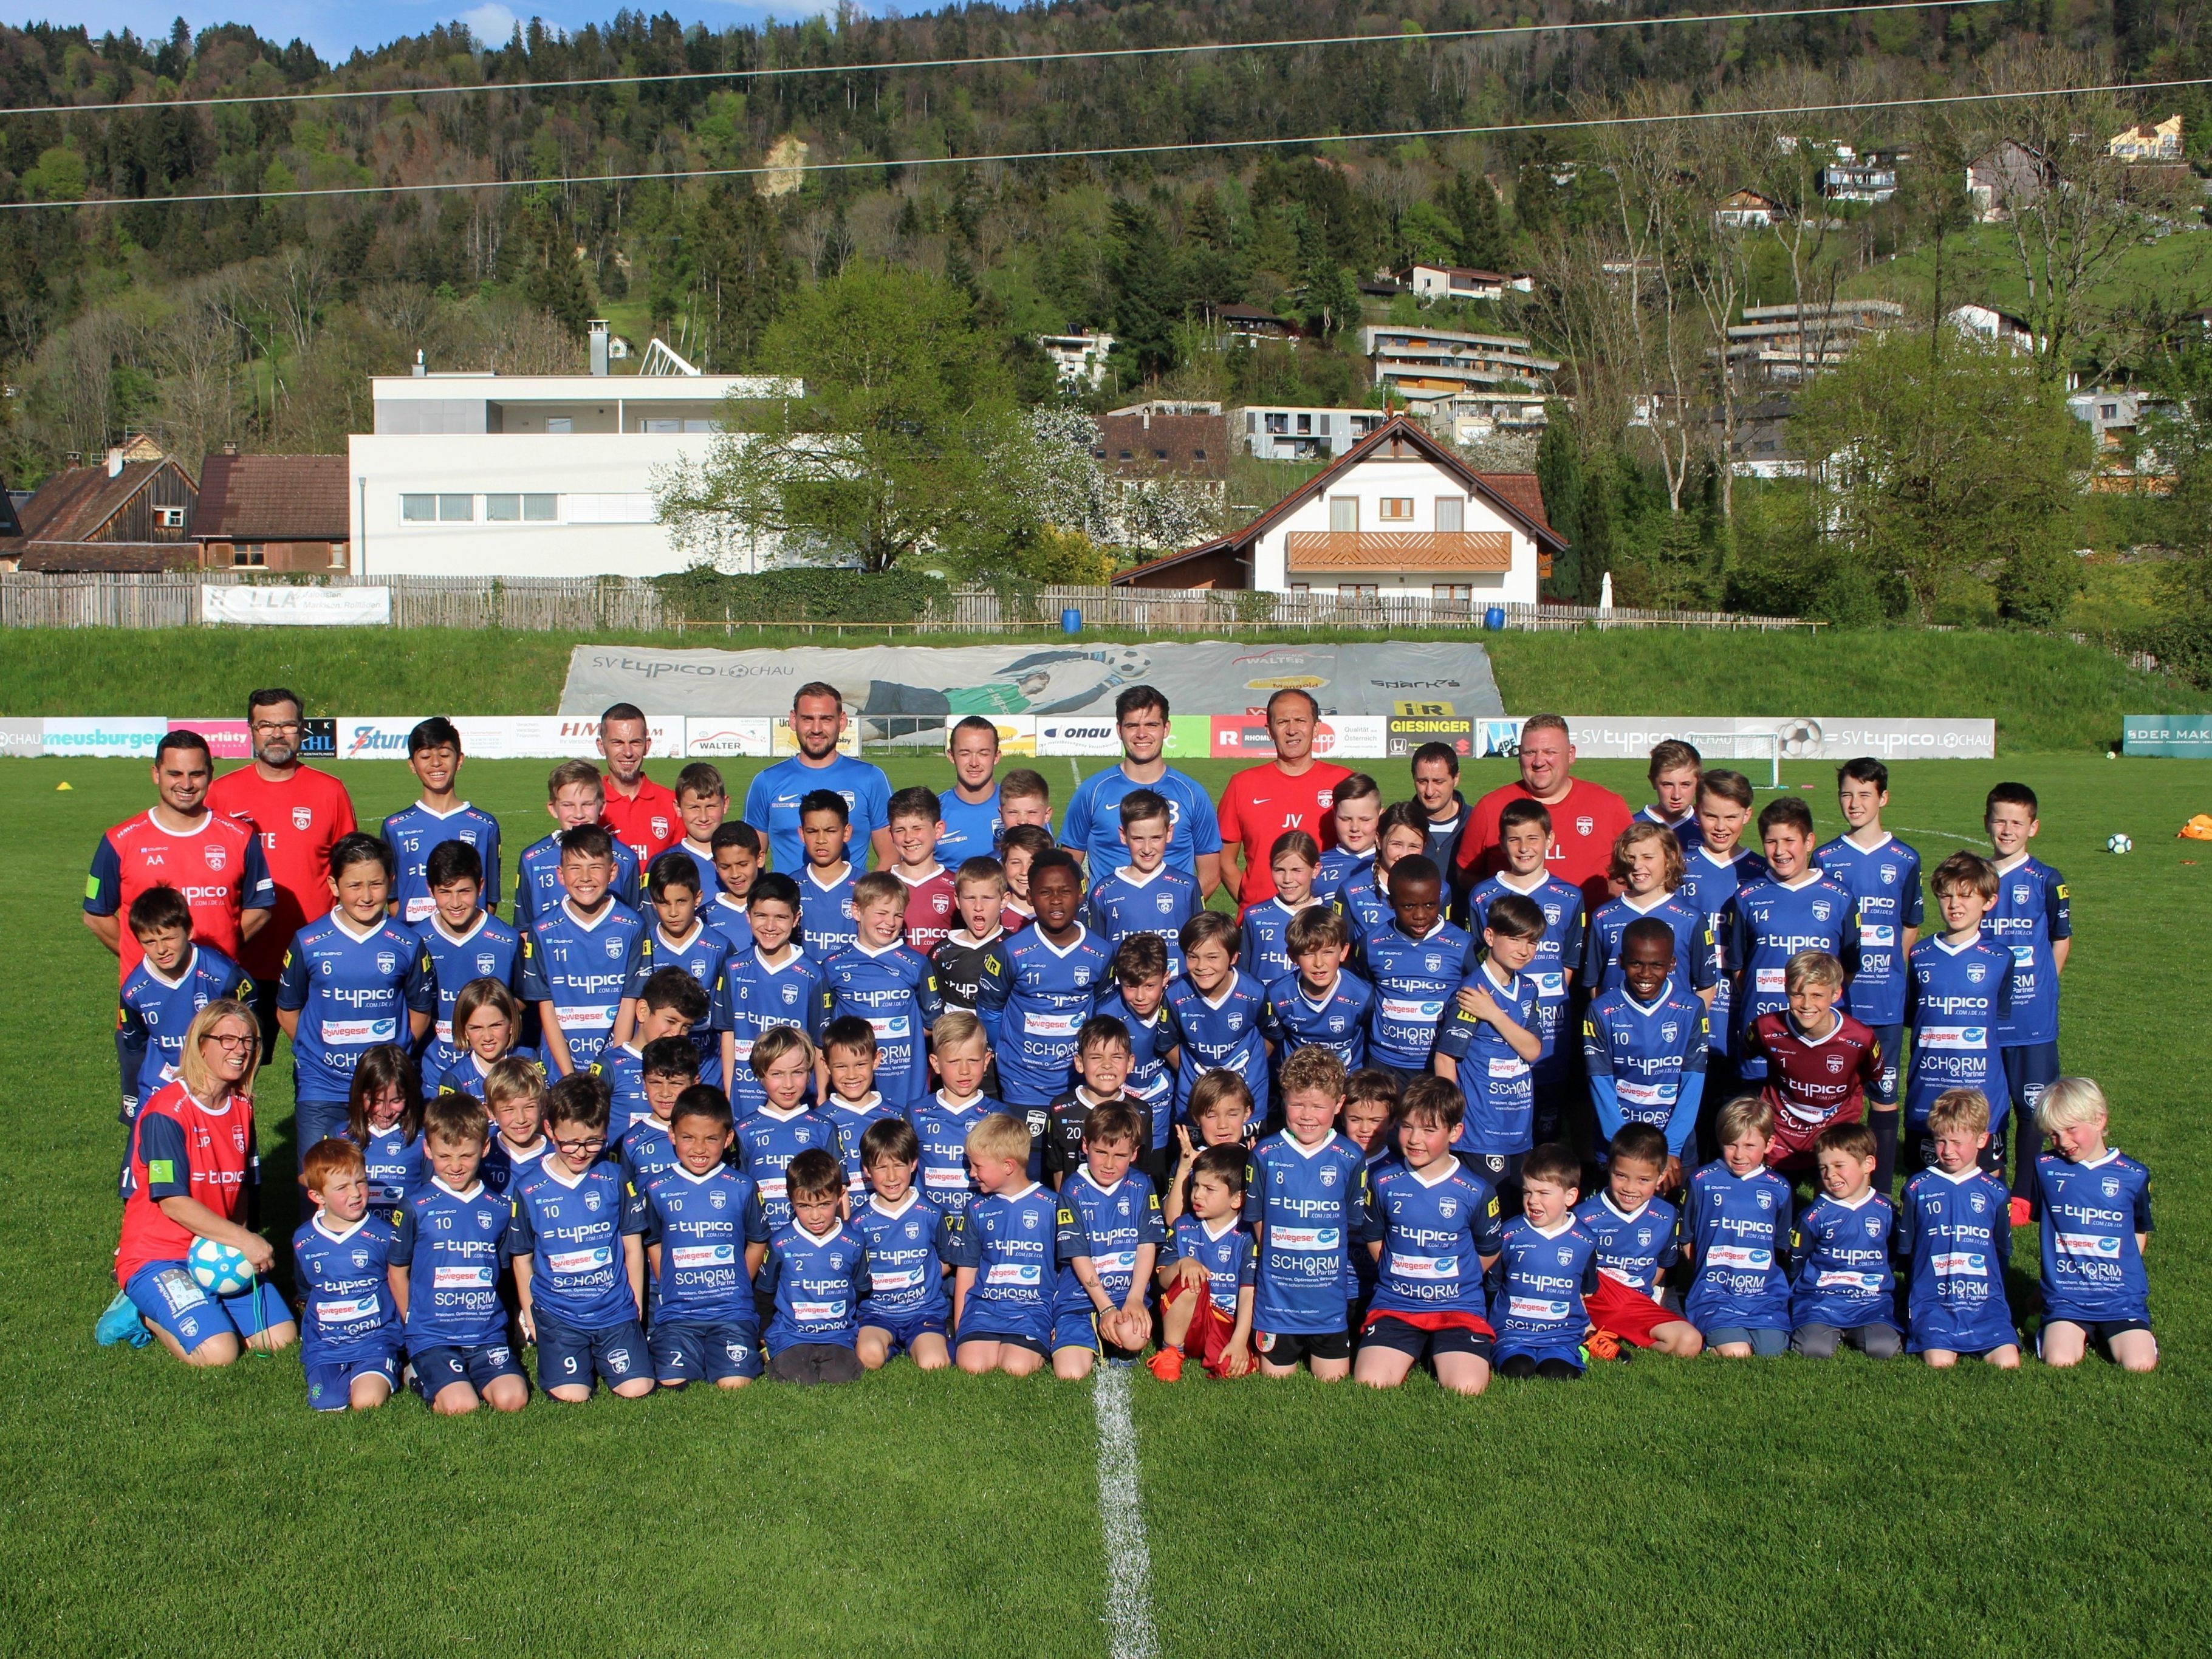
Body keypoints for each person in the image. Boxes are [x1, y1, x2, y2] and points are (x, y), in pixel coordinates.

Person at [103, 999, 298, 1364]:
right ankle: (141, 1313)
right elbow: (172, 1201)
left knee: (281, 1339)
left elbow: (238, 1191)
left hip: (216, 1251)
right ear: (201, 1044)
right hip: (159, 1256)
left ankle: (205, 1307)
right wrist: (245, 1240)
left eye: (248, 1041)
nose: (240, 1050)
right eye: (227, 1040)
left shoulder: (242, 1105)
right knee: (220, 1353)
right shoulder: (166, 1112)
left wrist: (238, 1250)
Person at [87, 731, 273, 1112]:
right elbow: (96, 915)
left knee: (224, 1118)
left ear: (210, 774)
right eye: (175, 774)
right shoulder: (120, 839)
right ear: (155, 774)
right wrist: (150, 957)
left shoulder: (239, 837)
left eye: (196, 774)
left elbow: (260, 907)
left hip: (220, 1013)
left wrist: (220, 953)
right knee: (150, 1122)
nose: (186, 785)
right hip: (149, 1016)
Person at [206, 687, 357, 1053]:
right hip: (243, 960)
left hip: (317, 961)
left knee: (323, 1064)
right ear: (251, 730)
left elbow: (352, 874)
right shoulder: (221, 794)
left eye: (287, 724)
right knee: (232, 1068)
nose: (277, 733)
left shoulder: (329, 791)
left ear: (302, 729)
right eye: (266, 725)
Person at [278, 835, 436, 1154]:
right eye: (354, 886)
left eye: (376, 884)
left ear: (391, 882)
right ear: (334, 885)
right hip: (324, 1088)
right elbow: (287, 1009)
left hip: (386, 1091)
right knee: (320, 1184)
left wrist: (392, 1063)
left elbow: (420, 1010)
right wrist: (317, 1055)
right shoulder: (308, 942)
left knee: (390, 1184)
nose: (366, 896)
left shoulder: (407, 943)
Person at [505, 1071, 654, 1401]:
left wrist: (635, 1305)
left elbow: (632, 1247)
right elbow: (522, 1258)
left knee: (637, 1388)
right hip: (558, 1314)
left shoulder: (614, 1177)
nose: (581, 1152)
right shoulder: (529, 1188)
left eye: (593, 1142)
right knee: (573, 1395)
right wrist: (531, 1316)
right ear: (550, 1131)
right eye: (569, 1142)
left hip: (614, 1311)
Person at [1351, 1075, 1503, 1397]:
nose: (1415, 1139)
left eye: (1429, 1130)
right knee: (1370, 1383)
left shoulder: (1476, 1191)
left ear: (1455, 1132)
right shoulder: (1383, 1182)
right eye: (1407, 1127)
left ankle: (1442, 1351)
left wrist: (1452, 1283)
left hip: (1457, 1307)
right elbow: (1376, 1239)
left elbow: (1488, 1251)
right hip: (1396, 1303)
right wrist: (1402, 1276)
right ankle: (1414, 1347)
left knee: (1466, 1387)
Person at [390, 1090, 530, 1413]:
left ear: (484, 1148)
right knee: (462, 1405)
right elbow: (398, 1270)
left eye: (466, 1156)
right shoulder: (416, 1206)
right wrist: (412, 1320)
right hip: (433, 1335)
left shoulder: (498, 1207)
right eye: (444, 1156)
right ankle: (417, 1374)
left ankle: (471, 1373)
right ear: (428, 1150)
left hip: (485, 1333)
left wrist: (514, 1321)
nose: (455, 1166)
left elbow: (506, 1271)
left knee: (514, 1399)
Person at [1465, 798, 1586, 1148]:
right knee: (1499, 1121)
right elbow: (1478, 958)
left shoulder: (1569, 896)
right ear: (1502, 843)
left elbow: (1568, 965)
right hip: (1496, 1028)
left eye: (1533, 838)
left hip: (1550, 1030)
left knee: (1546, 1126)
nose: (1524, 848)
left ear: (1550, 840)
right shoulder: (1482, 895)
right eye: (1514, 839)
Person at [1245, 1047, 1368, 1382]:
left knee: (1333, 1382)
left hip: (1328, 1305)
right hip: (1277, 1304)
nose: (1307, 1114)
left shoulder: (1350, 1156)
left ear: (1339, 1105)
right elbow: (1257, 1219)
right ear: (1284, 1100)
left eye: (1318, 1106)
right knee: (1275, 1384)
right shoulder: (1266, 1153)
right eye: (1298, 1103)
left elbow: (1351, 1224)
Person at [640, 1085, 772, 1390]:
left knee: (735, 1383)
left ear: (727, 1139)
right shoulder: (658, 1188)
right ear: (672, 1135)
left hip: (731, 1312)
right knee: (674, 1381)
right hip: (678, 1313)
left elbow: (757, 1240)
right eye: (688, 1137)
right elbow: (654, 1242)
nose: (699, 1149)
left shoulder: (742, 1187)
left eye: (711, 1139)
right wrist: (669, 1284)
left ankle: (743, 1350)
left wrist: (740, 1281)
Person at [1721, 798, 1855, 1092]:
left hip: (1821, 1034)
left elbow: (1848, 968)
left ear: (1809, 842)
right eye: (1771, 842)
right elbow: (1740, 969)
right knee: (1758, 1125)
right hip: (1765, 1031)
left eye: (1789, 841)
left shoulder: (1839, 897)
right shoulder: (1748, 897)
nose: (1780, 851)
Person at [1982, 781, 2070, 1218]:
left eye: (2016, 822)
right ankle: (1989, 1180)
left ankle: (2025, 1191)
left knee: (2033, 1106)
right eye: (1999, 819)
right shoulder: (1973, 875)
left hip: (2031, 1018)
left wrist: (2042, 988)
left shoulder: (2046, 879)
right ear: (1986, 822)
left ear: (2032, 827)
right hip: (1981, 1015)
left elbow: (2060, 940)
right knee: (1989, 1102)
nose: (2007, 829)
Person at [1816, 759, 1920, 1129]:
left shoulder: (1906, 859)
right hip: (1838, 998)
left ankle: (1880, 1183)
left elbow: (1910, 925)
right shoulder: (1825, 858)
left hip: (1886, 999)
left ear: (1883, 798)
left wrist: (1892, 969)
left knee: (1884, 1093)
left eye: (1864, 794)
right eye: (1847, 794)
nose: (1855, 803)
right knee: (1833, 1090)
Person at [1902, 852, 2012, 1192]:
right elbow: (1914, 1017)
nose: (1955, 904)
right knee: (1924, 1186)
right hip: (1928, 1092)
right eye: (1947, 895)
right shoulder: (1920, 955)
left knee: (1986, 1185)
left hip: (1983, 1092)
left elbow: (2000, 1025)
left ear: (1988, 901)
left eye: (1966, 896)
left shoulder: (2000, 958)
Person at [2031, 1078, 2156, 1372]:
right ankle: (2052, 1327)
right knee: (2059, 1360)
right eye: (2053, 1135)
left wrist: (2122, 1277)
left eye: (2072, 1129)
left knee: (2139, 1364)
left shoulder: (2133, 1175)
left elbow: (2138, 1232)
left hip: (2119, 1298)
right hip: (2067, 1298)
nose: (2063, 1143)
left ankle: (2118, 1333)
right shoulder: (2045, 1169)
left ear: (2099, 1120)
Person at [975, 850, 1113, 1116]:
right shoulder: (1010, 952)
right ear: (1029, 897)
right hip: (1022, 1084)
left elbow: (1103, 1010)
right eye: (1045, 892)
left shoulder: (1101, 952)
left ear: (1080, 894)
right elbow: (990, 1011)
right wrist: (1007, 1052)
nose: (1056, 901)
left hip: (1079, 1083)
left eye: (1065, 891)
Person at [116, 885, 252, 1144]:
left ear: (188, 930)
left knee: (225, 1172)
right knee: (152, 1174)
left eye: (168, 938)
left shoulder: (223, 975)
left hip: (215, 1089)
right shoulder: (134, 991)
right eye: (150, 942)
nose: (161, 950)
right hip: (159, 1092)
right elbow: (135, 1049)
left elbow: (251, 1029)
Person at [1895, 1087, 2019, 1369]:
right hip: (1935, 1303)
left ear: (1981, 1140)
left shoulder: (1995, 1192)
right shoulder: (1918, 1188)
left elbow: (2002, 1253)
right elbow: (1907, 1252)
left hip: (1984, 1304)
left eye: (1956, 1142)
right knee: (1939, 1362)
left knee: (2008, 1362)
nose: (1948, 1151)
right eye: (1941, 1141)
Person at [1457, 714, 1633, 911]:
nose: (1539, 761)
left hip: (1590, 938)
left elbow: (1635, 868)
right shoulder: (1490, 807)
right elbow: (1466, 873)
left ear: (1571, 754)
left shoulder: (1609, 805)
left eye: (1550, 752)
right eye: (1530, 752)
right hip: (1514, 938)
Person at [1431, 892, 1544, 1192]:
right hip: (1480, 1132)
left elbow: (1533, 1050)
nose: (1524, 950)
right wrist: (1452, 1120)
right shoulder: (1471, 993)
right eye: (1516, 939)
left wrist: (1494, 1014)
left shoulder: (1528, 989)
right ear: (1490, 936)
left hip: (1518, 1127)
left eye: (1532, 942)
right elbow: (1445, 1060)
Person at [1061, 685, 1223, 895]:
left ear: (1166, 729)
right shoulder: (1091, 792)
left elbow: (1211, 873)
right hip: (1109, 926)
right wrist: (1096, 905)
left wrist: (1180, 911)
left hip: (1173, 923)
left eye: (1151, 725)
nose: (1141, 734)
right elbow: (1069, 865)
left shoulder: (1192, 794)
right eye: (1132, 726)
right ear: (1120, 730)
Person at [1580, 918, 1709, 1178]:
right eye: (1636, 963)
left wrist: (1671, 1147)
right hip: (1617, 1145)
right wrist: (1626, 1150)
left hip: (1675, 1147)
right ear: (1620, 961)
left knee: (1674, 1218)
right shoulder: (1601, 1010)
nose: (1646, 975)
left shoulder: (1692, 1009)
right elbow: (1600, 1082)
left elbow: (1693, 1080)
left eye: (1657, 965)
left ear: (1672, 964)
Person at [1050, 1102, 1166, 1380]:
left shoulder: (1141, 1185)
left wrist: (1136, 1298)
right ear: (1085, 1146)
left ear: (1134, 1154)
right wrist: (1105, 1307)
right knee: (1070, 1374)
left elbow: (1146, 1244)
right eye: (1101, 1152)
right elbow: (1078, 1255)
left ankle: (1116, 1343)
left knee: (1134, 1337)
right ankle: (1085, 1335)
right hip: (1080, 1301)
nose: (1109, 1164)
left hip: (1125, 1295)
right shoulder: (1073, 1189)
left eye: (1120, 1155)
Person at [520, 824, 646, 1078]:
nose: (585, 878)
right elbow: (547, 1006)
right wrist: (569, 1077)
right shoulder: (543, 929)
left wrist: (613, 1069)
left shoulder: (632, 926)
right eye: (575, 868)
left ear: (612, 872)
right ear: (560, 874)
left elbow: (629, 1001)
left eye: (595, 868)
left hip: (614, 1068)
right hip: (561, 1069)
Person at [949, 1111, 1065, 1377]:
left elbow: (1064, 1270)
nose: (972, 1173)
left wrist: (1059, 1320)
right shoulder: (977, 1208)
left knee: (1016, 1367)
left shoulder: (1052, 1206)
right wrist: (962, 1327)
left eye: (978, 1166)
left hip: (1031, 1310)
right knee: (972, 1365)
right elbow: (967, 1271)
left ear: (1008, 1166)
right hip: (984, 1309)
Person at [1216, 688, 1351, 915]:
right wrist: (1254, 902)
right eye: (1282, 722)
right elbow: (1224, 861)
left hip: (1325, 924)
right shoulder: (1242, 784)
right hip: (1261, 925)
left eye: (1300, 720)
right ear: (1269, 731)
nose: (1292, 730)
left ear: (1316, 727)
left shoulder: (1344, 782)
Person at [290, 1137, 402, 1411]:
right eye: (342, 1187)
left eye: (361, 1182)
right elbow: (310, 1286)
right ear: (317, 1196)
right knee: (326, 1403)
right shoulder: (304, 1239)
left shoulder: (384, 1234)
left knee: (367, 1401)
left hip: (375, 1340)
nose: (356, 1193)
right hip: (326, 1343)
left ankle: (401, 1368)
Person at [1575, 1123, 1702, 1360]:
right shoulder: (1584, 1215)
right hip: (1594, 1299)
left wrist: (1636, 1295)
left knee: (1690, 1342)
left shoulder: (1666, 1216)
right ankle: (1588, 1329)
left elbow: (1663, 1264)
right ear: (1609, 1168)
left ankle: (1610, 1335)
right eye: (1621, 1176)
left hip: (1637, 1303)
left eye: (1643, 1180)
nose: (1630, 1188)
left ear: (1661, 1176)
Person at [1748, 950, 1882, 1172]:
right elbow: (1748, 1052)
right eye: (1798, 994)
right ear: (1786, 990)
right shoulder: (1765, 1028)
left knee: (1834, 1194)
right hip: (1782, 1131)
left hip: (1835, 1129)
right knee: (1773, 1198)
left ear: (1837, 994)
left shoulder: (1861, 1039)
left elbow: (1872, 1075)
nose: (1807, 1004)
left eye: (1817, 995)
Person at [1682, 1095, 1795, 1358]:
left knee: (1772, 1351)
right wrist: (1706, 1274)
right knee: (1738, 1354)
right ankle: (1715, 1337)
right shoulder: (1702, 1181)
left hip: (1762, 1294)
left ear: (1770, 1144)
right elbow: (1686, 1239)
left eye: (1750, 1145)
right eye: (1731, 1145)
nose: (1740, 1154)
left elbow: (1780, 1247)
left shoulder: (1779, 1188)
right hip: (1716, 1295)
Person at [823, 872, 944, 1116]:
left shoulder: (916, 964)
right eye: (881, 913)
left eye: (898, 915)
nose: (890, 922)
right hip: (852, 1089)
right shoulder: (833, 966)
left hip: (906, 1087)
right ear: (857, 912)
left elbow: (932, 1022)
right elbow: (824, 1032)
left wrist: (899, 1031)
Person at [744, 682, 892, 875]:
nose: (816, 729)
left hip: (850, 902)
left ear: (842, 721)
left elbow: (891, 856)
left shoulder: (871, 778)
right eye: (807, 719)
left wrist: (865, 897)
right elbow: (750, 858)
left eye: (826, 719)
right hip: (786, 903)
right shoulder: (766, 781)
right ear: (793, 720)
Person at [1786, 1120, 1902, 1360]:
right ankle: (1821, 1329)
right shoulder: (1813, 1216)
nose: (1830, 1175)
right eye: (1823, 1168)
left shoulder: (1886, 1212)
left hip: (1871, 1302)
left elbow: (1893, 1258)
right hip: (1822, 1301)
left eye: (1839, 1165)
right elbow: (1796, 1263)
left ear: (1868, 1164)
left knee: (1883, 1348)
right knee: (1813, 1349)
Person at [1359, 854, 1476, 1091]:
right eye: (1409, 906)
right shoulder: (1371, 943)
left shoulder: (1464, 945)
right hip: (1384, 1065)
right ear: (1391, 903)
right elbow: (1363, 994)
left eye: (1430, 904)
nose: (1420, 915)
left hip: (1437, 1064)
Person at [411, 840, 523, 1084]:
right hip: (434, 1069)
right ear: (430, 890)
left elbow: (523, 999)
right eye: (445, 892)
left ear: (480, 887)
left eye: (464, 891)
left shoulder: (507, 940)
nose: (455, 903)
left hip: (494, 1072)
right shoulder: (415, 942)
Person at [852, 1117, 957, 1373]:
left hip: (924, 1311)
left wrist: (922, 1279)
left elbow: (948, 1259)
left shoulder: (931, 1213)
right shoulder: (858, 1222)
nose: (891, 1177)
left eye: (899, 1165)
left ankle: (929, 1341)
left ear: (913, 1164)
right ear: (867, 1170)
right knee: (869, 1358)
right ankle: (892, 1345)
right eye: (881, 1167)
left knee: (934, 1364)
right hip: (877, 1313)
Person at [714, 872, 826, 1115]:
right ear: (748, 915)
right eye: (761, 916)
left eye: (781, 917)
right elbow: (728, 1032)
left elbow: (819, 1043)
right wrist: (729, 1090)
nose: (770, 926)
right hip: (745, 1094)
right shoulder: (733, 968)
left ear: (796, 919)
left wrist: (822, 1096)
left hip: (796, 1096)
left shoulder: (812, 975)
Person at [1488, 1142, 1601, 1380]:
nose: (1532, 1201)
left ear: (1570, 1197)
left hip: (1561, 1333)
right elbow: (1493, 1283)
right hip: (1513, 1332)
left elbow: (1587, 1289)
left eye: (1543, 1193)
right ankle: (1510, 1350)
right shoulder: (1509, 1233)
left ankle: (1575, 1349)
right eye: (1527, 1192)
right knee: (1517, 1370)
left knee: (1557, 1373)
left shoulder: (1585, 1240)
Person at [759, 1147, 871, 1386]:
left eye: (824, 1204)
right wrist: (762, 1334)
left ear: (840, 1195)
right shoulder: (781, 1242)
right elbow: (765, 1292)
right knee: (800, 1380)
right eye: (805, 1206)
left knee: (840, 1378)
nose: (816, 1216)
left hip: (837, 1335)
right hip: (792, 1335)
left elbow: (861, 1288)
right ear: (791, 1200)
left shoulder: (854, 1241)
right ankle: (774, 1356)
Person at [1149, 1143, 1258, 1383]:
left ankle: (1239, 1350)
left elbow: (1249, 1293)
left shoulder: (1248, 1235)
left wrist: (1240, 1342)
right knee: (1191, 1281)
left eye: (1209, 1189)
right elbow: (1163, 1280)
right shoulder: (1184, 1226)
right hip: (1189, 1323)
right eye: (1196, 1185)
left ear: (1237, 1199)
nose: (1197, 1194)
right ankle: (1171, 1352)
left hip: (1227, 1324)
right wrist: (1182, 1264)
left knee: (1231, 1367)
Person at [380, 717, 502, 926]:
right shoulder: (395, 827)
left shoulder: (484, 826)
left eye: (445, 754)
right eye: (425, 756)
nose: (436, 763)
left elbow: (490, 898)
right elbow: (392, 897)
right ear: (412, 765)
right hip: (415, 936)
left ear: (460, 760)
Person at [1582, 823, 1717, 1009]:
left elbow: (1707, 986)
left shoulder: (1691, 919)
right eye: (1631, 857)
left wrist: (1688, 1028)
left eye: (1647, 857)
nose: (1637, 866)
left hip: (1671, 1033)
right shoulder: (1603, 917)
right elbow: (1595, 984)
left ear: (1669, 859)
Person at [613, 852, 729, 1062]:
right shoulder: (641, 944)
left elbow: (727, 1019)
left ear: (698, 898)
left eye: (681, 901)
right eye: (665, 903)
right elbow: (628, 1004)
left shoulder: (720, 947)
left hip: (705, 1070)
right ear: (653, 903)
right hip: (653, 1068)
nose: (673, 912)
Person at [1163, 910, 1271, 1119]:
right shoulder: (1176, 995)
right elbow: (1167, 1044)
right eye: (1193, 957)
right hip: (1195, 1100)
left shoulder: (1254, 992)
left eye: (1212, 957)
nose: (1202, 966)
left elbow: (1271, 1035)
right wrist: (1194, 1075)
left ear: (1233, 957)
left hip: (1247, 1097)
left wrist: (1251, 1065)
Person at [513, 761, 642, 932]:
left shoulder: (625, 858)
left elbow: (635, 924)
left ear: (601, 806)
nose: (579, 814)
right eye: (568, 805)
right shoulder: (532, 858)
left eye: (587, 804)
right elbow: (524, 928)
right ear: (553, 809)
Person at [1085, 790, 1200, 979]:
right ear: (1123, 836)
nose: (1147, 849)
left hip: (1175, 995)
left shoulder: (1187, 886)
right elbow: (1097, 954)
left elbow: (1199, 945)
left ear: (1169, 833)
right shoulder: (1103, 892)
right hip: (1124, 995)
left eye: (1156, 838)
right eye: (1138, 839)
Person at [733, 1026, 837, 1234]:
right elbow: (738, 1195)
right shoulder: (743, 1131)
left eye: (797, 1072)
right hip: (762, 1241)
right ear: (760, 1075)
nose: (788, 1084)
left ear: (809, 1073)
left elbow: (838, 1192)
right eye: (777, 1074)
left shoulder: (824, 1127)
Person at [1095, 936, 1174, 1180]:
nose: (1140, 996)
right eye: (1131, 986)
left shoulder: (1179, 1004)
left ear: (1166, 979)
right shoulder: (1106, 1013)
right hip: (1118, 1122)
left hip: (1162, 1120)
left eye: (1150, 986)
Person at [1260, 906, 1373, 1073]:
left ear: (1343, 952)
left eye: (1328, 952)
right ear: (1293, 957)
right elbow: (1269, 1042)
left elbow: (1373, 1045)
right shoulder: (1277, 994)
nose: (1319, 963)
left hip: (1347, 1084)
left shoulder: (1363, 995)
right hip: (1298, 1085)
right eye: (1308, 954)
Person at [1036, 1016, 1146, 1188]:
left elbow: (1143, 1172)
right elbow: (1058, 1169)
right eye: (1096, 1057)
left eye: (1116, 1057)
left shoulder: (1142, 1112)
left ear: (1130, 1063)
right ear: (1080, 1063)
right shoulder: (1060, 1109)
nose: (1107, 1065)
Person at [598, 973, 709, 1134]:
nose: (677, 1033)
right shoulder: (609, 1066)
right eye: (671, 1021)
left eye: (686, 1027)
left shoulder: (688, 1065)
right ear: (643, 1011)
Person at [914, 1011, 997, 1220]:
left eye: (973, 1060)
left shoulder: (998, 1115)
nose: (964, 1070)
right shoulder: (915, 1114)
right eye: (953, 1061)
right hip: (930, 1227)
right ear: (935, 1064)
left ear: (987, 1061)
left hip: (981, 1229)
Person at [1332, 802, 1431, 953]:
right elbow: (1341, 952)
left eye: (1413, 846)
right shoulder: (1351, 891)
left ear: (1425, 845)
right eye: (1396, 844)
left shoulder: (1440, 890)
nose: (1404, 855)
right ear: (1379, 840)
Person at [817, 1016, 899, 1198]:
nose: (852, 1075)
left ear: (876, 1060)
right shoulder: (816, 1122)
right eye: (841, 1067)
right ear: (826, 1065)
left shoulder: (898, 1117)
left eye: (860, 1064)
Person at [346, 1043, 426, 1222]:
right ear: (359, 1094)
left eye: (396, 1100)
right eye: (376, 1100)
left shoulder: (424, 1138)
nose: (386, 1111)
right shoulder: (340, 1137)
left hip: (406, 1241)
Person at [595, 702, 680, 864]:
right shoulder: (587, 804)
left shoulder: (673, 804)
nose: (628, 753)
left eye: (635, 743)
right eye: (618, 743)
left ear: (647, 746)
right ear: (601, 746)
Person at [1239, 830, 1323, 986]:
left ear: (1315, 870)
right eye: (1279, 870)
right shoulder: (1254, 916)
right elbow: (1242, 975)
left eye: (1297, 870)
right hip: (1265, 1007)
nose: (1287, 880)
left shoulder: (1330, 916)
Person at [885, 787, 958, 956]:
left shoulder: (957, 887)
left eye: (917, 828)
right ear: (891, 834)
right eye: (900, 830)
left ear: (938, 830)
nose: (909, 838)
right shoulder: (879, 886)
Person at [933, 858, 1008, 1012]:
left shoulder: (1014, 948)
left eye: (987, 898)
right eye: (970, 898)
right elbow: (933, 1011)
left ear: (1004, 900)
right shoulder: (941, 953)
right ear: (958, 900)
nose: (978, 907)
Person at [795, 789, 863, 959]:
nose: (821, 839)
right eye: (812, 831)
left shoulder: (867, 885)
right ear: (802, 834)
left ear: (846, 833)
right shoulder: (790, 886)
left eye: (830, 831)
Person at [1408, 742, 1473, 914]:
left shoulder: (1476, 822)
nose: (1430, 791)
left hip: (1463, 932)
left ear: (1456, 778)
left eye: (1438, 781)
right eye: (1422, 781)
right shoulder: (1400, 823)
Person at [937, 716, 1009, 864]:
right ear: (952, 756)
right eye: (965, 753)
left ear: (996, 757)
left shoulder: (1020, 805)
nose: (974, 763)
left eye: (983, 753)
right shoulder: (934, 811)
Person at [480, 1057, 550, 1197]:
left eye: (529, 1107)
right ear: (491, 1112)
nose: (521, 1119)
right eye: (509, 1110)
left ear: (543, 1104)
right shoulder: (481, 1156)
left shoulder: (556, 1155)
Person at [1314, 773, 1382, 903]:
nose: (1355, 828)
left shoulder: (1392, 861)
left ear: (1380, 816)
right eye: (1345, 819)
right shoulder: (1315, 866)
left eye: (1365, 819)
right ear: (1334, 817)